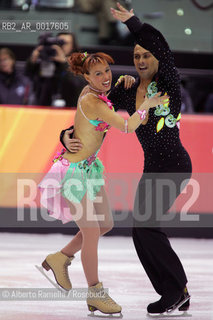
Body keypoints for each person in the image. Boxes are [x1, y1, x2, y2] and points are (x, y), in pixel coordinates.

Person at [60, 3, 192, 316]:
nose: (142, 59)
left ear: (157, 58)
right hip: (153, 167)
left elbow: (159, 42)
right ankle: (177, 290)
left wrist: (133, 22)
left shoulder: (168, 82)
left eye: (147, 54)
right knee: (141, 228)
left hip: (174, 164)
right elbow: (93, 119)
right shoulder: (124, 92)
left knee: (146, 226)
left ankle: (175, 290)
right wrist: (64, 136)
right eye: (136, 55)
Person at [38, 51, 167, 316]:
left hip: (90, 169)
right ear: (86, 77)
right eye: (97, 74)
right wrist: (148, 103)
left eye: (107, 70)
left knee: (105, 223)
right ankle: (95, 293)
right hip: (72, 174)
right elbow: (128, 126)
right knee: (92, 231)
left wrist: (124, 83)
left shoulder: (94, 91)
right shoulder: (92, 100)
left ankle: (60, 257)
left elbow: (85, 118)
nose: (105, 76)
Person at [25, 32, 85, 106]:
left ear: (72, 46)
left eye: (64, 43)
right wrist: (32, 60)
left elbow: (77, 85)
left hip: (69, 106)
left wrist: (64, 63)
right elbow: (27, 75)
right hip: (43, 105)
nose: (61, 46)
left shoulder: (79, 63)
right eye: (58, 42)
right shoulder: (46, 58)